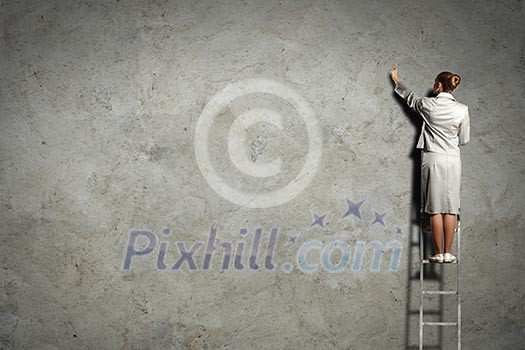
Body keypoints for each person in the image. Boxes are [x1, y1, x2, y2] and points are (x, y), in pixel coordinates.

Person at [390, 66, 470, 263]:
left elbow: (410, 97)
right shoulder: (462, 110)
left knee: (434, 207)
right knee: (451, 207)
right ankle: (448, 252)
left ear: (438, 85)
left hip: (433, 159)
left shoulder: (427, 104)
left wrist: (397, 80)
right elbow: (465, 139)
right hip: (452, 159)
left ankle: (438, 252)